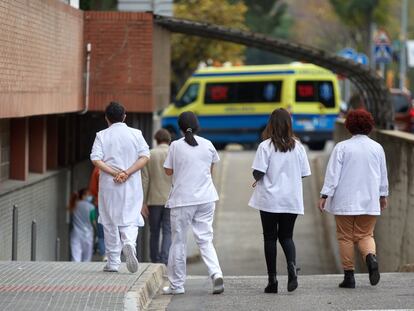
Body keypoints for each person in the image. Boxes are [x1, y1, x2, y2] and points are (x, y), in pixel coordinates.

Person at [319, 109, 388, 288]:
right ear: (369, 126)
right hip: (369, 199)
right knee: (365, 234)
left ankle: (349, 277)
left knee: (345, 237)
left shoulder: (342, 147)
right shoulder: (377, 148)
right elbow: (382, 175)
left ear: (349, 126)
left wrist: (325, 195)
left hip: (345, 201)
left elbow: (332, 175)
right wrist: (383, 195)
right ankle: (370, 258)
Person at [248, 108, 311, 294]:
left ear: (271, 124)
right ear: (289, 125)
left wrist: (257, 177)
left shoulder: (265, 146)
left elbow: (257, 172)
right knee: (287, 237)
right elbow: (304, 174)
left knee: (270, 238)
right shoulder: (299, 147)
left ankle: (272, 280)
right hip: (291, 200)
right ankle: (292, 268)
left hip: (269, 200)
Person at [162, 111, 224, 295]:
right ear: (197, 126)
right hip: (206, 198)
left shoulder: (175, 146)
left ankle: (177, 286)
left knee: (178, 242)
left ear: (180, 128)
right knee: (205, 239)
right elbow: (210, 170)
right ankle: (216, 273)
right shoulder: (208, 145)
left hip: (183, 200)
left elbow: (168, 171)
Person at [90, 101, 150, 273]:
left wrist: (114, 173)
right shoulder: (136, 134)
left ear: (106, 118)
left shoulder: (102, 135)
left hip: (109, 185)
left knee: (109, 222)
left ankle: (113, 262)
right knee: (130, 217)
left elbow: (95, 159)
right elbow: (145, 156)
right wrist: (127, 172)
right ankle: (129, 242)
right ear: (124, 116)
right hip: (131, 184)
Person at [141, 129, 172, 265]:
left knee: (154, 232)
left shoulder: (150, 154)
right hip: (171, 199)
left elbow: (145, 179)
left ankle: (154, 260)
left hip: (153, 200)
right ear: (169, 140)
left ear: (156, 140)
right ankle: (164, 259)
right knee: (168, 231)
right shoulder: (173, 153)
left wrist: (143, 202)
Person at [69, 188, 96, 262]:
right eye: (88, 195)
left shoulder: (74, 204)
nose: (90, 196)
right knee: (87, 256)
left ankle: (74, 270)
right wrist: (96, 230)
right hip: (88, 233)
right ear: (83, 195)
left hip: (76, 232)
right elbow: (93, 221)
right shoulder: (91, 207)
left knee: (75, 254)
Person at [88, 166, 106, 260]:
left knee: (101, 230)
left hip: (100, 203)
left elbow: (93, 188)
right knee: (114, 227)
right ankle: (114, 254)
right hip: (114, 203)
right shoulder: (118, 165)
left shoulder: (97, 169)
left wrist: (96, 196)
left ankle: (104, 254)